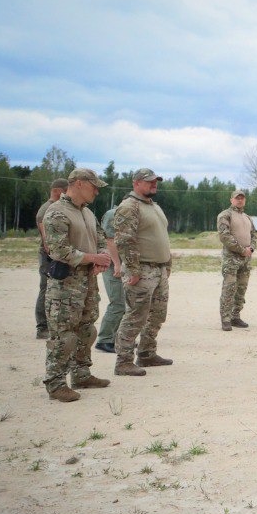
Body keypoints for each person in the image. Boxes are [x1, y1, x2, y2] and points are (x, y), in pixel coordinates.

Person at [41, 169, 111, 401]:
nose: (97, 191)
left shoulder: (88, 213)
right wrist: (94, 259)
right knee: (64, 335)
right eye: (94, 186)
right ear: (78, 184)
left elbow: (100, 239)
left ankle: (81, 373)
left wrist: (101, 257)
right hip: (66, 284)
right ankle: (56, 382)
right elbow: (58, 249)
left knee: (86, 329)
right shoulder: (57, 212)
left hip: (87, 281)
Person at [113, 168, 173, 377]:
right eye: (149, 182)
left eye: (156, 181)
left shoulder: (153, 206)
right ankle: (123, 361)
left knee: (157, 314)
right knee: (135, 316)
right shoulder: (129, 207)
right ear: (136, 183)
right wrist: (133, 269)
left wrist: (167, 263)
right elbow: (124, 240)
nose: (154, 184)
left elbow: (162, 236)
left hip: (158, 269)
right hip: (141, 270)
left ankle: (147, 353)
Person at [217, 189, 256, 331]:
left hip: (246, 259)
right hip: (231, 258)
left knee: (241, 288)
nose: (240, 200)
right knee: (229, 288)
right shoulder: (225, 215)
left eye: (242, 198)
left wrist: (251, 249)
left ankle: (235, 316)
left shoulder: (247, 217)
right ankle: (225, 319)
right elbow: (224, 236)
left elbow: (254, 235)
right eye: (237, 198)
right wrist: (241, 249)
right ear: (231, 200)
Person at [34, 178, 68, 339]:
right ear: (57, 191)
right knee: (46, 289)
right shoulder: (47, 209)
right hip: (49, 257)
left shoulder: (54, 208)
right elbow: (47, 239)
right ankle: (42, 327)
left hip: (52, 256)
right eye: (66, 191)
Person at [94, 201, 124, 353]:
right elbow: (109, 240)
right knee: (118, 303)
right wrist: (117, 264)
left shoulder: (128, 215)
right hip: (114, 267)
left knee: (125, 305)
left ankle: (116, 338)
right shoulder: (114, 214)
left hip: (123, 267)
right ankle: (105, 339)